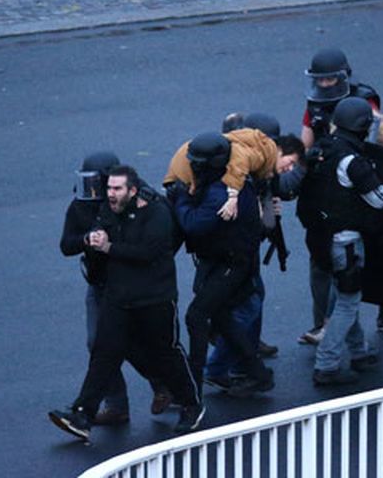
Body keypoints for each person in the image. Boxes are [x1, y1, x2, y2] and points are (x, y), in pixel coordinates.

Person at [49, 165, 205, 440]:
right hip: (119, 298)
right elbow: (100, 226)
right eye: (109, 188)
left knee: (166, 353)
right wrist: (95, 235)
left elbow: (149, 252)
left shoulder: (157, 213)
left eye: (117, 189)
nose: (110, 194)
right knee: (104, 354)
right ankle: (82, 414)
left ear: (132, 190)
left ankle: (191, 404)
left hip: (155, 298)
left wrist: (109, 247)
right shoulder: (111, 209)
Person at [58, 152, 172, 425]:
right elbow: (66, 245)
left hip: (128, 285)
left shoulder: (141, 203)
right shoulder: (82, 205)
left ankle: (160, 386)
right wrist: (87, 239)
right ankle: (120, 403)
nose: (99, 192)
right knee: (100, 343)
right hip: (100, 284)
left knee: (122, 344)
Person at [296, 47, 383, 342]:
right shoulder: (313, 101)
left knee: (373, 257)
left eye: (330, 79)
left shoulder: (364, 99)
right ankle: (322, 323)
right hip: (328, 178)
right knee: (322, 260)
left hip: (357, 175)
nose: (325, 85)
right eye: (320, 79)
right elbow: (306, 139)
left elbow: (375, 139)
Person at [309, 97, 383, 385]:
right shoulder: (352, 161)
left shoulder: (322, 149)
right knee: (347, 302)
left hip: (321, 238)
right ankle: (326, 364)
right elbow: (380, 198)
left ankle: (359, 352)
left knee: (345, 294)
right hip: (348, 241)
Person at [173, 132, 275, 398]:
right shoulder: (233, 183)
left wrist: (181, 199)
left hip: (230, 265)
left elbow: (194, 224)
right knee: (222, 317)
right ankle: (256, 373)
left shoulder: (219, 193)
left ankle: (191, 386)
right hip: (233, 260)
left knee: (197, 316)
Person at [163, 127, 302, 221]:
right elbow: (241, 156)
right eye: (290, 162)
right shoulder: (262, 155)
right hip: (185, 172)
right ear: (279, 151)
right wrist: (233, 196)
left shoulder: (264, 151)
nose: (289, 169)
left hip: (185, 167)